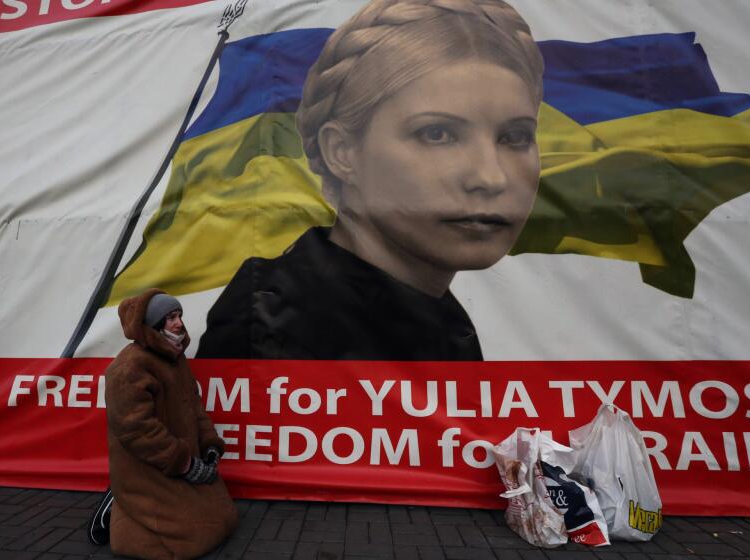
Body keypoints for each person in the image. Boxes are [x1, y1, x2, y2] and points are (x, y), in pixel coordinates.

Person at [196, 0, 544, 360]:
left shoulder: (438, 320)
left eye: (515, 137)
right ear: (341, 151)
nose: (489, 176)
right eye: (437, 133)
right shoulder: (275, 322)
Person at [95, 289, 238, 559]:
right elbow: (136, 430)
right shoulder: (128, 368)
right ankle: (120, 506)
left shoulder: (174, 358)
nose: (178, 323)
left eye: (179, 315)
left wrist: (209, 446)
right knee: (195, 538)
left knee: (225, 519)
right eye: (170, 317)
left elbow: (194, 407)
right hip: (150, 468)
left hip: (178, 461)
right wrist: (183, 463)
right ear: (152, 323)